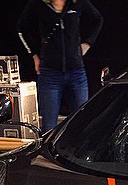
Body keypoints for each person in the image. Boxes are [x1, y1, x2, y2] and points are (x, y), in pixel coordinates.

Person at [18, 0, 103, 134]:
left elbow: (98, 19)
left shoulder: (78, 3)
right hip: (50, 73)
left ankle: (76, 148)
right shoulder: (37, 4)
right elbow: (22, 28)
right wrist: (34, 55)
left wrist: (87, 43)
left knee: (82, 121)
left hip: (76, 72)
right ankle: (49, 148)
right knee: (49, 126)